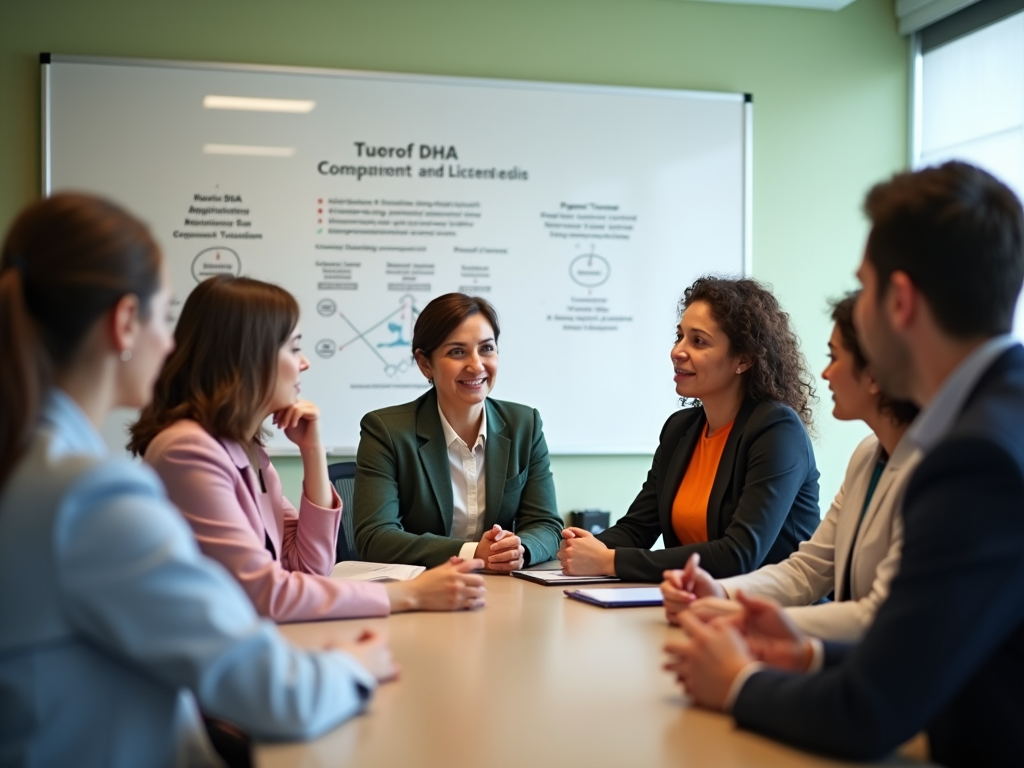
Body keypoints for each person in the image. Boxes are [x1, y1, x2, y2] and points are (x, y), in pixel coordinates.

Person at [0, 193, 398, 766]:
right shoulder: (90, 496)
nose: (170, 344)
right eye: (164, 318)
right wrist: (354, 667)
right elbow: (268, 690)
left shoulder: (34, 466)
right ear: (124, 325)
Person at [663, 161, 1024, 768]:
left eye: (866, 286)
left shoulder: (977, 457)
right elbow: (923, 648)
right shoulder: (993, 420)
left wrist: (739, 682)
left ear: (900, 301)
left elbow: (872, 710)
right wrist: (806, 655)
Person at [130, 276, 486, 622]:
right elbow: (267, 594)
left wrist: (313, 451)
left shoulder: (244, 451)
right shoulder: (188, 451)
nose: (304, 362)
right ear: (247, 356)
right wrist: (413, 593)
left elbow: (308, 569)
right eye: (294, 347)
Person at [660, 291, 920, 642]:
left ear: (874, 375)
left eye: (834, 357)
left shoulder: (931, 468)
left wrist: (739, 613)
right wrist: (720, 595)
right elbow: (807, 569)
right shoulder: (866, 455)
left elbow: (880, 614)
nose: (825, 373)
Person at [558, 276, 821, 583]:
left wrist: (610, 561)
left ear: (744, 359)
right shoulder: (679, 429)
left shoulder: (777, 429)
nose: (677, 351)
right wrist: (584, 546)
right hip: (699, 608)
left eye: (698, 341)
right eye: (679, 336)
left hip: (776, 617)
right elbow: (637, 529)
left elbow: (739, 555)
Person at [353, 292, 563, 570]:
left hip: (501, 588)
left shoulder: (525, 424)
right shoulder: (386, 431)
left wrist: (519, 549)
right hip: (423, 590)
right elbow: (375, 537)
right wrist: (473, 552)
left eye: (486, 348)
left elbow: (545, 524)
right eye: (457, 352)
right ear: (425, 363)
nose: (476, 365)